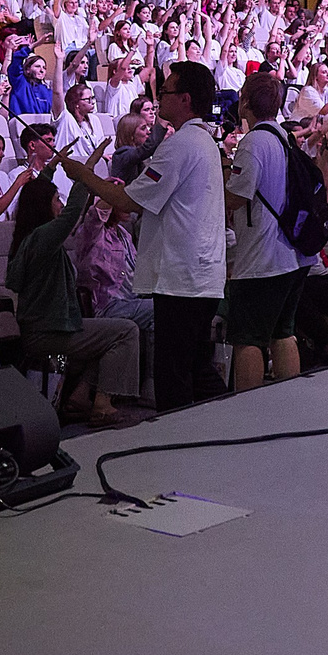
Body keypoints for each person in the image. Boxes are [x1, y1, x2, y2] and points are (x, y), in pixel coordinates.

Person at [74, 60, 225, 412]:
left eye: (167, 91)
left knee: (174, 373)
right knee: (197, 367)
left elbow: (129, 200)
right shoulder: (203, 142)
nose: (160, 100)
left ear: (185, 99)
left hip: (181, 279)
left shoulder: (181, 145)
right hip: (198, 275)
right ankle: (222, 428)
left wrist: (83, 176)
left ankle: (176, 447)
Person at [18, 161, 140, 426]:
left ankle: (83, 395)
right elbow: (78, 210)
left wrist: (52, 170)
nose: (60, 206)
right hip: (50, 329)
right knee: (126, 330)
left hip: (58, 324)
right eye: (55, 200)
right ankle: (103, 406)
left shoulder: (31, 239)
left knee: (117, 332)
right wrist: (89, 171)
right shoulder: (45, 240)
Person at [220, 70, 319, 393]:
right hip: (294, 254)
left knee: (247, 338)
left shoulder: (253, 143)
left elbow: (236, 196)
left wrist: (217, 177)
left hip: (262, 258)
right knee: (283, 332)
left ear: (245, 101)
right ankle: (287, 406)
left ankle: (247, 413)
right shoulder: (284, 137)